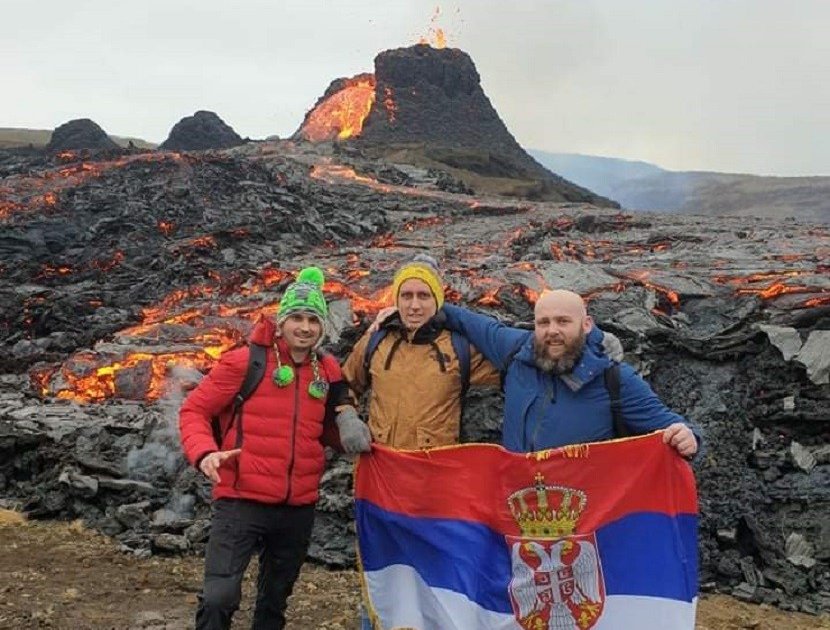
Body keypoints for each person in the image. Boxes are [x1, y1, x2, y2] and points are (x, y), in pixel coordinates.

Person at [179, 266, 371, 630]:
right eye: (296, 317)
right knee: (220, 598)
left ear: (322, 326)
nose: (305, 327)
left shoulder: (326, 370)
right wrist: (204, 453)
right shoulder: (245, 362)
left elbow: (325, 429)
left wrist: (353, 435)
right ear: (280, 322)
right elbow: (194, 410)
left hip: (297, 507)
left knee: (273, 604)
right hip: (240, 500)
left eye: (313, 319)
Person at [438, 289, 701, 455]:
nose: (552, 330)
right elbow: (469, 322)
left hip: (582, 519)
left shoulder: (615, 380)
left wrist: (690, 437)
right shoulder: (518, 352)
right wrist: (415, 308)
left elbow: (673, 427)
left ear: (586, 325)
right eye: (544, 322)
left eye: (563, 321)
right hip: (517, 508)